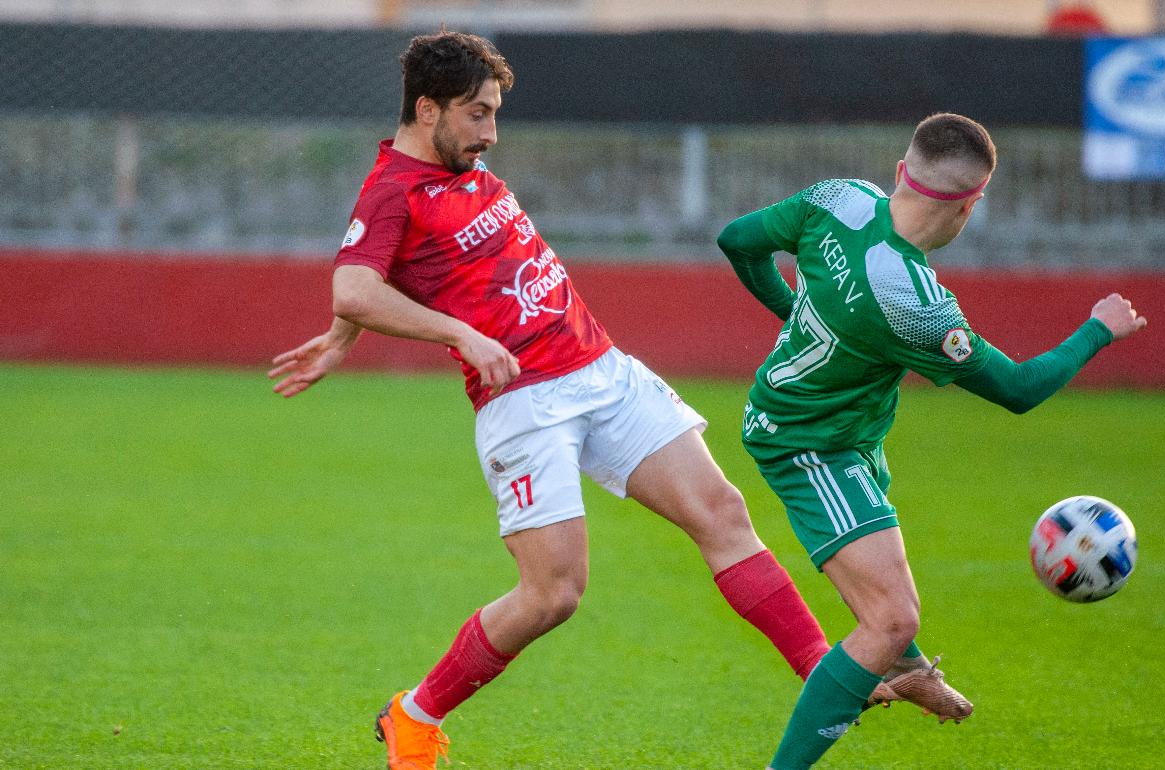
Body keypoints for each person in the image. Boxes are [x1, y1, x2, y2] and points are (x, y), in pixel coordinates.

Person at [268, 30, 834, 770]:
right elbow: (355, 283)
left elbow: (371, 284)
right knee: (555, 592)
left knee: (723, 513)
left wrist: (342, 337)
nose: (490, 133)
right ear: (428, 108)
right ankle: (416, 714)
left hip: (602, 369)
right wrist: (456, 336)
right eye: (477, 114)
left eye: (495, 113)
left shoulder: (462, 161)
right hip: (524, 402)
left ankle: (827, 678)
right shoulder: (390, 190)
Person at [717, 112, 1147, 770]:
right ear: (971, 205)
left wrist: (797, 315)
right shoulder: (918, 305)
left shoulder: (839, 197)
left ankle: (909, 670)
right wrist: (1099, 328)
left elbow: (736, 241)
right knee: (890, 618)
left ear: (900, 173)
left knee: (888, 597)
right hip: (807, 445)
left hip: (846, 434)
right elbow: (1020, 389)